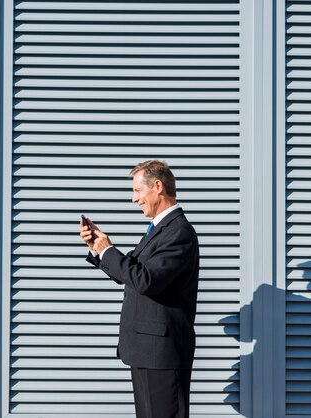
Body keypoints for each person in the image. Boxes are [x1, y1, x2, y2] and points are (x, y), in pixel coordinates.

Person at [79, 160, 200, 418]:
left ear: (157, 186)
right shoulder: (158, 230)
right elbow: (132, 273)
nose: (134, 199)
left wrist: (108, 251)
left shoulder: (178, 232)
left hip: (162, 354)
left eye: (137, 191)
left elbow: (146, 280)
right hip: (147, 350)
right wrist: (99, 248)